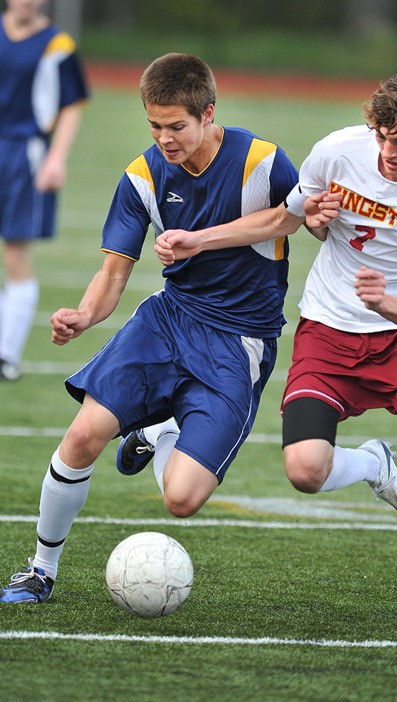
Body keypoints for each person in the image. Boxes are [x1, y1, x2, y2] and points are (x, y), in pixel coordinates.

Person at [0, 52, 342, 604]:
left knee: (181, 499)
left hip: (239, 341)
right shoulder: (141, 176)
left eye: (176, 126)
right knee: (83, 435)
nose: (164, 138)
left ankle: (158, 430)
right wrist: (85, 315)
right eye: (155, 126)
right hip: (167, 321)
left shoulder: (262, 160)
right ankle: (40, 570)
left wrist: (201, 238)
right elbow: (114, 272)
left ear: (208, 113)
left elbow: (293, 218)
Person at [135, 61, 397, 565]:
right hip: (328, 328)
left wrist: (386, 303)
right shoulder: (338, 151)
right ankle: (375, 464)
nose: (387, 151)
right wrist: (199, 241)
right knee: (305, 470)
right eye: (382, 136)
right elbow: (284, 219)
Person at [0, 0, 89, 380]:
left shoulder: (58, 45)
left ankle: (7, 355)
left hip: (24, 155)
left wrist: (56, 158)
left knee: (15, 254)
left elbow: (71, 105)